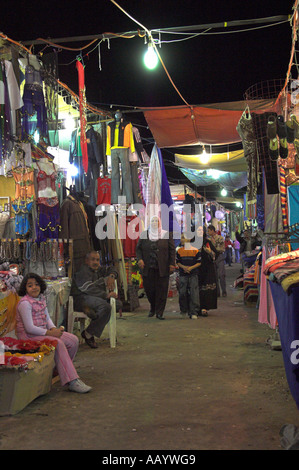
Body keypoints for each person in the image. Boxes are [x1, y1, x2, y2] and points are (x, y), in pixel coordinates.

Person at [16, 273, 91, 394]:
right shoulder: (25, 303)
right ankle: (72, 380)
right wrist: (50, 333)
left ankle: (58, 371)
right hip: (29, 337)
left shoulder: (40, 299)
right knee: (58, 343)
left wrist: (54, 329)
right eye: (30, 285)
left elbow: (47, 318)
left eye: (36, 284)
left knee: (73, 340)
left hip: (42, 333)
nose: (34, 287)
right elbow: (29, 328)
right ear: (25, 288)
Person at [71, 251, 122, 348]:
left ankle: (92, 315)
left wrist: (112, 276)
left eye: (97, 260)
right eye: (93, 259)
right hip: (81, 298)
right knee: (106, 307)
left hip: (92, 298)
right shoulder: (83, 271)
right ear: (87, 261)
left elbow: (112, 268)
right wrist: (106, 295)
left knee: (117, 304)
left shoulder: (98, 269)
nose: (95, 262)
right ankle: (88, 333)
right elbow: (88, 289)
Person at [136, 215, 176, 320]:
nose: (154, 223)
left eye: (156, 221)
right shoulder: (145, 234)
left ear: (159, 222)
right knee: (149, 290)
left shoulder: (166, 234)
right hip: (148, 268)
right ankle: (153, 307)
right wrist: (140, 259)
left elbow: (172, 250)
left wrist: (172, 263)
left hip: (162, 268)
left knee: (162, 290)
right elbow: (138, 249)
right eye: (152, 221)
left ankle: (159, 312)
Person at [176, 233, 201, 319]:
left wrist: (191, 268)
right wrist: (184, 267)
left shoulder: (195, 250)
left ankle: (193, 311)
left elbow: (199, 262)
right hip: (183, 275)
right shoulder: (179, 251)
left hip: (193, 274)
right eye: (181, 238)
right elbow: (178, 262)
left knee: (194, 293)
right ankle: (183, 310)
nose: (181, 239)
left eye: (183, 238)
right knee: (182, 292)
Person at [197, 226, 218, 316]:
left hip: (207, 269)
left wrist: (209, 252)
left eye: (201, 230)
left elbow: (215, 255)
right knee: (197, 289)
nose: (200, 232)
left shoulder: (207, 242)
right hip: (196, 269)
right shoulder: (192, 243)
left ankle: (204, 308)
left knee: (206, 290)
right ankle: (197, 308)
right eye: (198, 230)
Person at [207, 224, 227, 297]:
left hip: (219, 257)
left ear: (212, 231)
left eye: (209, 231)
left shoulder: (220, 238)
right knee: (214, 276)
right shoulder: (208, 240)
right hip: (212, 258)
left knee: (221, 275)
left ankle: (224, 291)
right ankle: (217, 292)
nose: (208, 232)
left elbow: (220, 248)